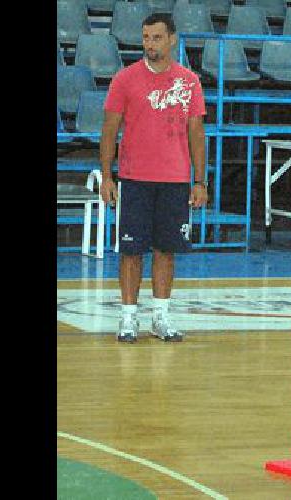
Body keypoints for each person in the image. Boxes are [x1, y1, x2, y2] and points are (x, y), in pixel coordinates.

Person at [99, 13, 207, 343]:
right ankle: (128, 318)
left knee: (166, 249)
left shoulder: (189, 81)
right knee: (131, 251)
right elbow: (109, 130)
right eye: (146, 37)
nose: (150, 44)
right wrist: (107, 176)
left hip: (174, 180)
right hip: (135, 179)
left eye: (157, 37)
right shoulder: (124, 79)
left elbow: (196, 131)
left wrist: (199, 181)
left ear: (172, 39)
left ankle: (160, 317)